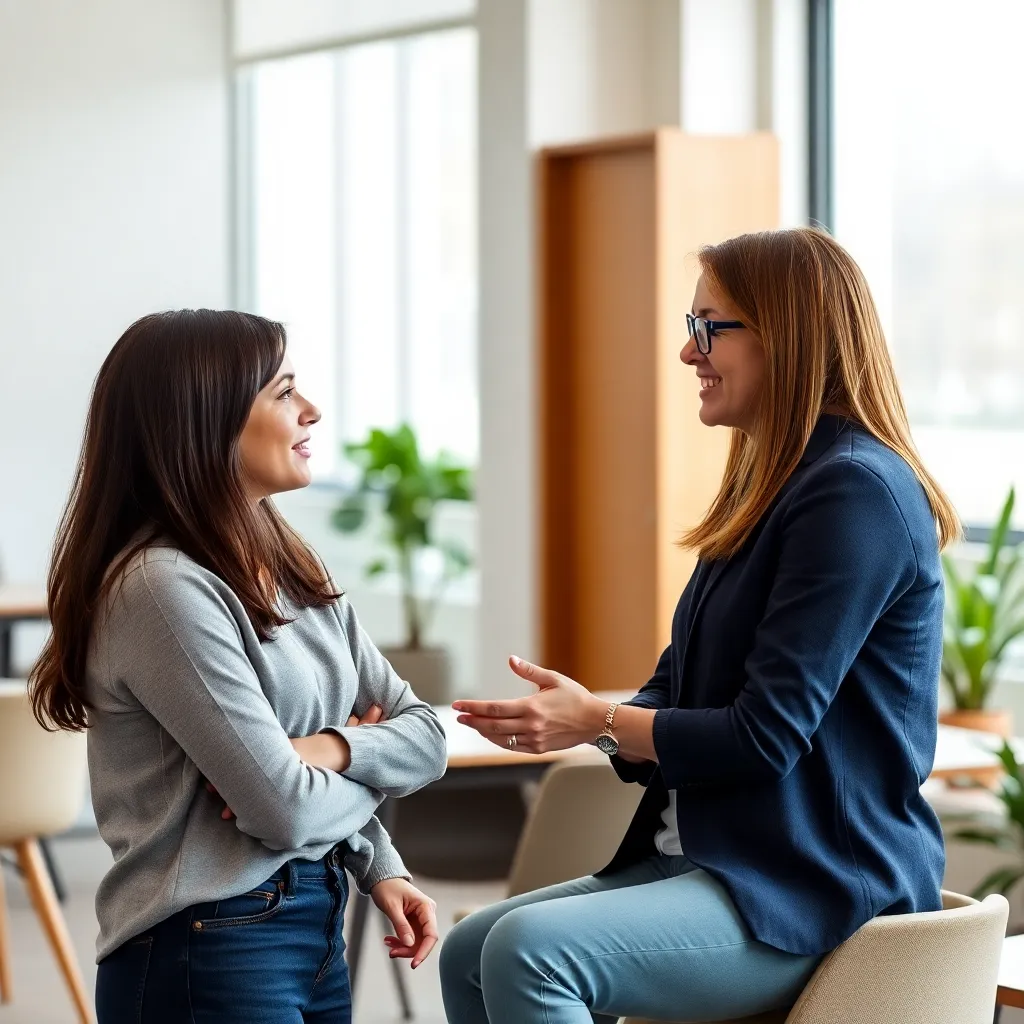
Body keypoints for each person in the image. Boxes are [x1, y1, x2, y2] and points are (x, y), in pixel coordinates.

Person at [439, 227, 960, 1024]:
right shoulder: (776, 487)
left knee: (528, 952)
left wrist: (597, 719)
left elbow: (762, 738)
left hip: (807, 884)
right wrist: (587, 724)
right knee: (471, 950)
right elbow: (675, 687)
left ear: (785, 336)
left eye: (708, 327)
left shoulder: (852, 494)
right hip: (719, 862)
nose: (689, 353)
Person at [30, 309, 448, 1023]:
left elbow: (428, 738)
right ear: (205, 419)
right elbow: (283, 808)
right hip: (206, 945)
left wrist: (334, 754)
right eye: (285, 393)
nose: (312, 410)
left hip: (311, 924)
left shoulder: (291, 564)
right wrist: (364, 770)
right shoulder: (162, 590)